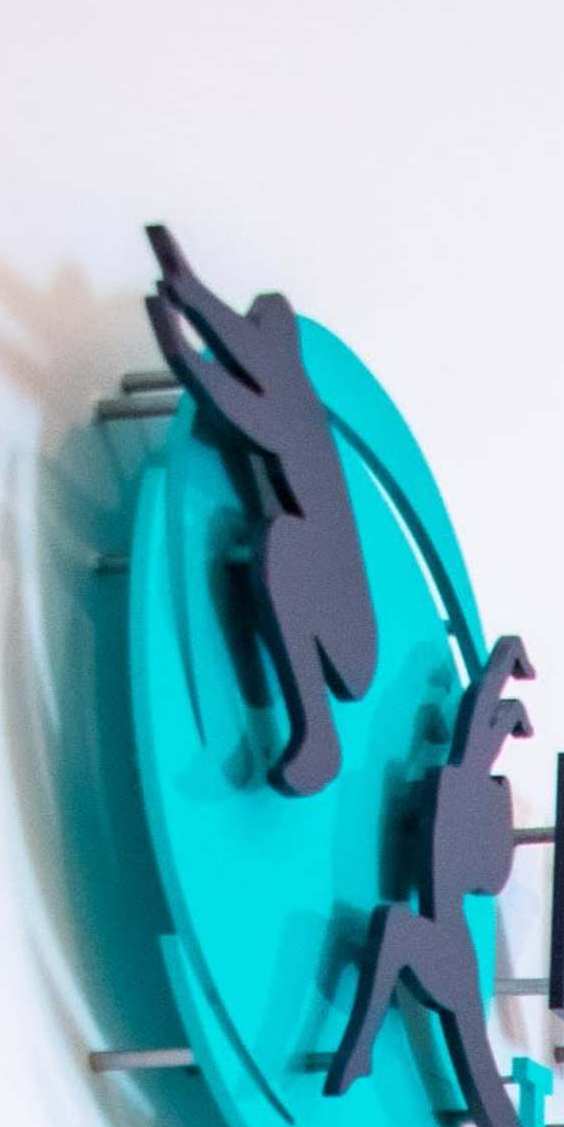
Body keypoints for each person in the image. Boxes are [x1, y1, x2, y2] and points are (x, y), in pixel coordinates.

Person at [328, 640, 564, 1127]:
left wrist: (502, 681)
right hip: (442, 935)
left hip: (450, 944)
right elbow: (473, 731)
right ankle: (359, 1050)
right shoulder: (457, 784)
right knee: (484, 1091)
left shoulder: (467, 797)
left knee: (487, 1094)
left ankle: (359, 1048)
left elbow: (473, 737)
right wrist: (502, 672)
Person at [144, 223, 380, 798]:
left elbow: (239, 403)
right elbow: (236, 368)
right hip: (342, 615)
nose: (247, 341)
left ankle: (317, 736)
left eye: (257, 331)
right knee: (285, 545)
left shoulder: (294, 411)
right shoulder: (288, 401)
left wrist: (182, 343)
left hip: (348, 628)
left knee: (286, 546)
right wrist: (187, 293)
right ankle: (314, 735)